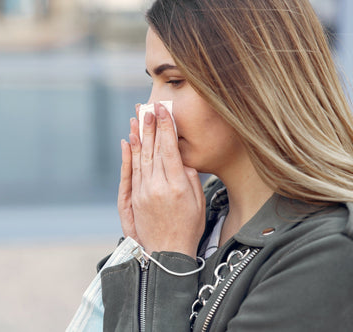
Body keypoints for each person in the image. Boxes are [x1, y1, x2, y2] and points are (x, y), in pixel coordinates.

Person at [71, 0, 353, 331]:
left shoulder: (327, 253)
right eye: (153, 81)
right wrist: (142, 250)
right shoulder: (197, 216)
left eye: (174, 81)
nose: (149, 107)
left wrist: (165, 259)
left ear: (254, 83)